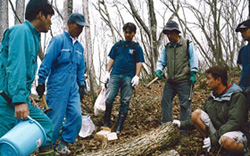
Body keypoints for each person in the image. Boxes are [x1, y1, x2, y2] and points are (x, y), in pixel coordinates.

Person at [0, 0, 55, 155]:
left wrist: (25, 96)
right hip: (6, 102)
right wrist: (19, 100)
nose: (51, 22)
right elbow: (16, 67)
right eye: (50, 17)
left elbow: (22, 73)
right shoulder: (21, 32)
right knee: (7, 147)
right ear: (41, 15)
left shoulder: (32, 36)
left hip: (15, 97)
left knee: (45, 127)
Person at [36, 13, 87, 154]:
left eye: (82, 27)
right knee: (55, 118)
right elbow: (47, 62)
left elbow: (80, 68)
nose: (80, 29)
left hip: (73, 88)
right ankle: (47, 148)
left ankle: (63, 144)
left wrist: (81, 85)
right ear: (70, 23)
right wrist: (41, 81)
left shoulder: (80, 48)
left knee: (76, 116)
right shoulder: (58, 41)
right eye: (78, 25)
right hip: (57, 86)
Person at [173, 66, 249, 155]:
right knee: (196, 114)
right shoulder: (212, 98)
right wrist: (181, 124)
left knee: (226, 141)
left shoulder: (237, 96)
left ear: (218, 80)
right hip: (218, 134)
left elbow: (234, 123)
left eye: (209, 79)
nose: (206, 82)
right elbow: (197, 119)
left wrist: (213, 139)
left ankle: (243, 152)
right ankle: (216, 149)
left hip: (236, 133)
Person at [103, 22, 145, 134]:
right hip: (115, 75)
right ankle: (106, 122)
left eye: (129, 33)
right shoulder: (118, 45)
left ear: (134, 33)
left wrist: (137, 75)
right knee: (109, 98)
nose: (127, 35)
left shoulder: (137, 48)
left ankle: (119, 126)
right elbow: (111, 59)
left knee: (125, 100)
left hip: (128, 77)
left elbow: (139, 62)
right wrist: (107, 72)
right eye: (125, 32)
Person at [154, 20, 199, 124]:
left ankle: (184, 128)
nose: (169, 36)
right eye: (167, 34)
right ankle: (167, 126)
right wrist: (159, 70)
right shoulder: (167, 47)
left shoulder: (187, 44)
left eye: (171, 33)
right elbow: (161, 61)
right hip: (170, 81)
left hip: (184, 80)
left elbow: (193, 59)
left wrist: (193, 72)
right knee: (165, 102)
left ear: (177, 32)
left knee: (185, 105)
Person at [236, 19, 250, 106]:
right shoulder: (243, 50)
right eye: (241, 32)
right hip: (243, 85)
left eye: (244, 30)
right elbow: (242, 68)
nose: (242, 34)